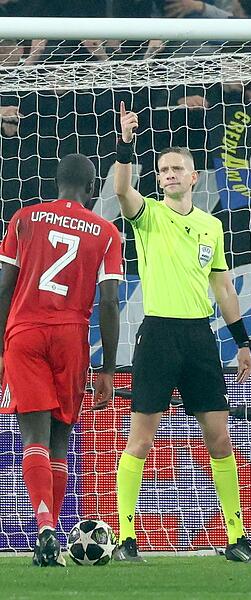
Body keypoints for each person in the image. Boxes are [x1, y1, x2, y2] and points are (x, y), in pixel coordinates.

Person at [112, 101, 251, 563]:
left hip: (200, 338)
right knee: (141, 440)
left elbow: (222, 285)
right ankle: (125, 537)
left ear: (194, 177)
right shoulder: (149, 214)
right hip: (158, 335)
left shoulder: (211, 226)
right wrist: (125, 142)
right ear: (157, 178)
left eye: (178, 168)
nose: (170, 174)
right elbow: (121, 190)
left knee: (220, 440)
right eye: (163, 169)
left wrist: (242, 341)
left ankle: (236, 538)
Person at [0, 153, 121, 567]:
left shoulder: (24, 219)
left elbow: (3, 287)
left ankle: (45, 527)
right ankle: (50, 533)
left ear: (56, 183)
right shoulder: (105, 232)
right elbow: (109, 302)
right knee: (59, 442)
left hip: (26, 332)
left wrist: (2, 347)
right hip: (72, 338)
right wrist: (107, 368)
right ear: (91, 189)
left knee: (32, 436)